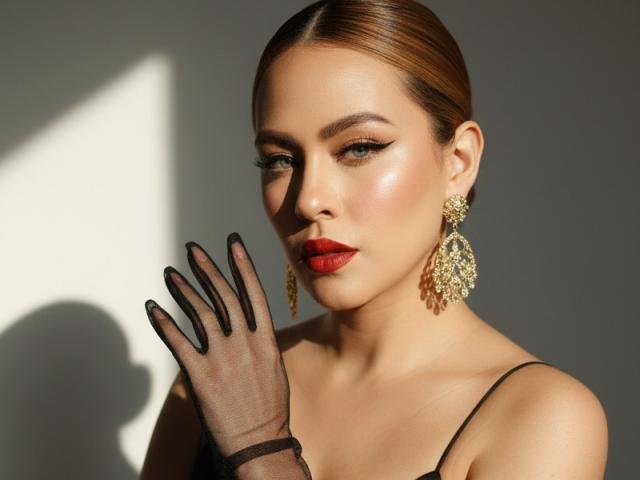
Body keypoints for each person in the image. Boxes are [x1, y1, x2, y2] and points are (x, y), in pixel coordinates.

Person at [140, 1, 609, 478]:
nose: (308, 200)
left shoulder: (542, 416)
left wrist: (261, 452)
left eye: (359, 148)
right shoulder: (221, 386)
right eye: (280, 160)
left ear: (459, 162)